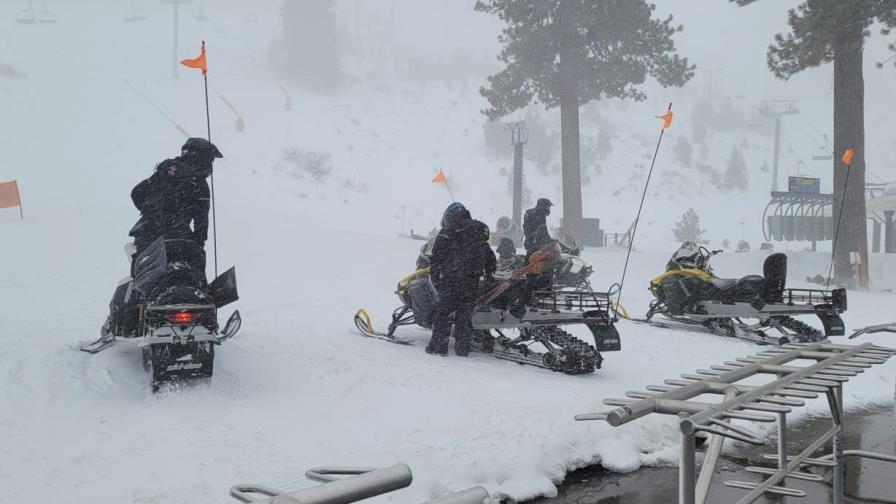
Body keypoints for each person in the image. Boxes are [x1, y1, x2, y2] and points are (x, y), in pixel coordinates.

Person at [106, 138, 222, 338]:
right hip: (182, 238)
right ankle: (206, 317)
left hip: (150, 236)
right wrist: (197, 240)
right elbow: (202, 221)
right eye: (210, 160)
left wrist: (153, 212)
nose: (210, 166)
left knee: (141, 278)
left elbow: (137, 193)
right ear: (200, 158)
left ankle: (131, 322)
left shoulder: (165, 171)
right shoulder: (200, 185)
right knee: (196, 274)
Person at [427, 203, 496, 357]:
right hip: (471, 281)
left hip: (451, 280)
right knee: (464, 316)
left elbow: (436, 258)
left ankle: (438, 347)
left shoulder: (447, 231)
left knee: (444, 314)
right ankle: (463, 348)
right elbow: (490, 257)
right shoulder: (477, 230)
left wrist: (437, 278)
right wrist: (488, 274)